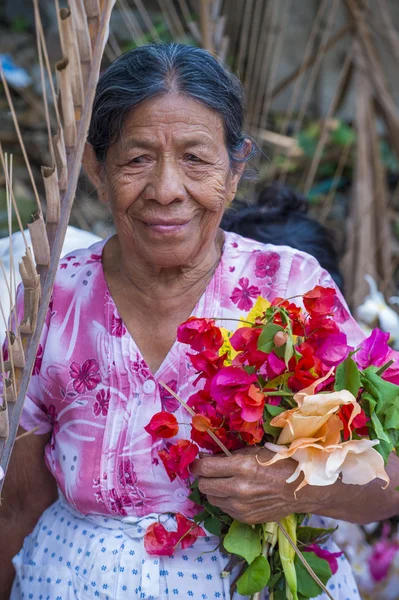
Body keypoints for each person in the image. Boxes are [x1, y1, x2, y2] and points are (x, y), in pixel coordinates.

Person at [1, 43, 398, 600]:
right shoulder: (53, 298)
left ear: (235, 170)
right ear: (96, 167)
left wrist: (298, 486)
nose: (167, 190)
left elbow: (390, 478)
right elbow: (18, 500)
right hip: (69, 581)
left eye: (196, 158)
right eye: (137, 158)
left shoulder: (289, 291)